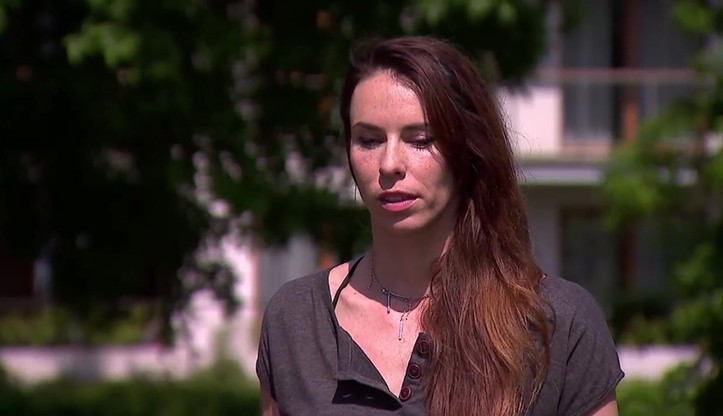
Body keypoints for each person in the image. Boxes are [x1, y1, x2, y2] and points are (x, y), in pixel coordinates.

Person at [255, 35, 624, 416]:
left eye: (420, 140)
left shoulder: (556, 324)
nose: (389, 164)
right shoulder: (295, 321)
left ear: (468, 151)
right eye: (369, 140)